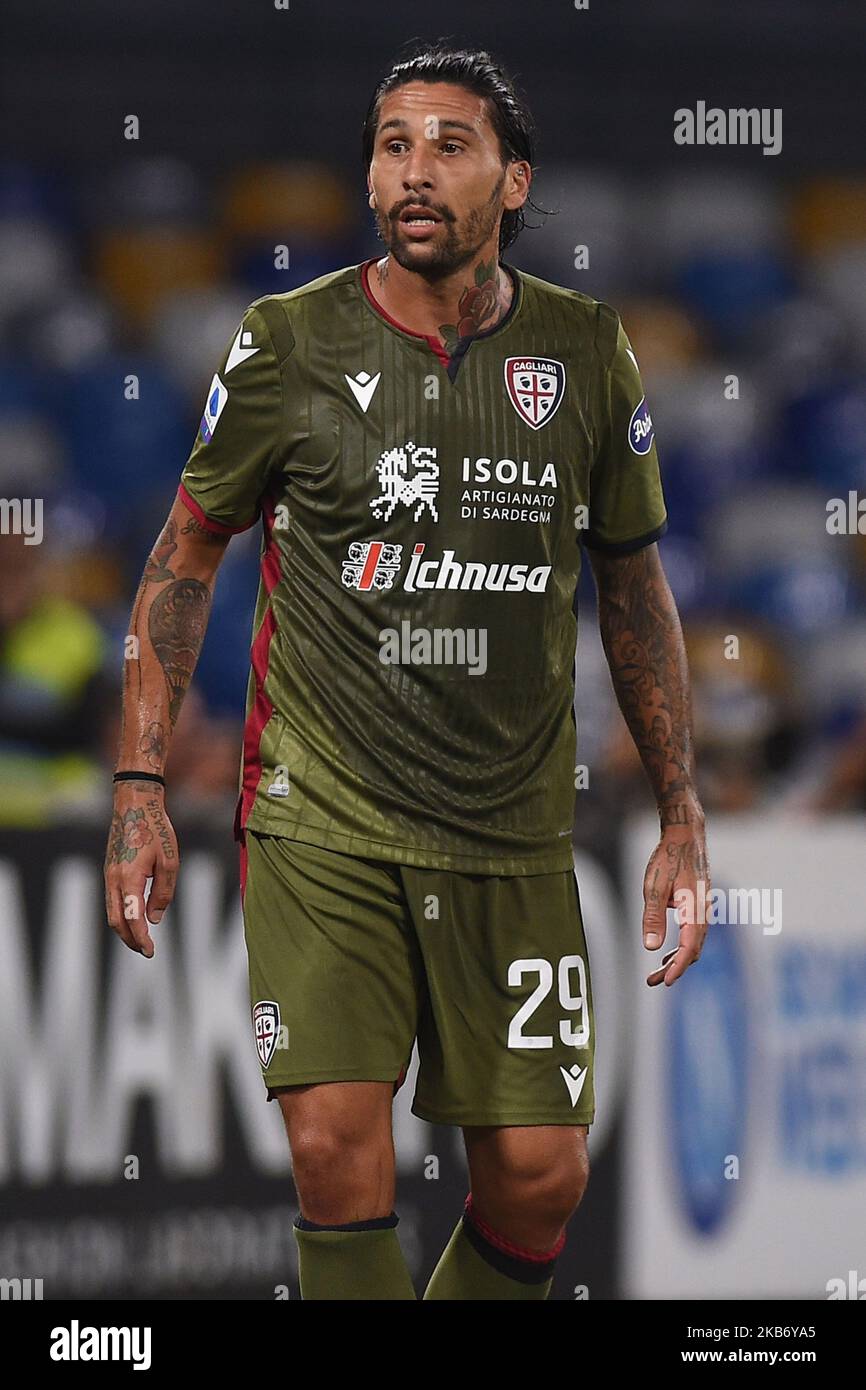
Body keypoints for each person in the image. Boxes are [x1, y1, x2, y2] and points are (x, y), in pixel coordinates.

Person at [104, 43, 709, 1301]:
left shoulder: (587, 351)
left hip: (514, 832)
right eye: (391, 143)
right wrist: (140, 784)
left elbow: (635, 595)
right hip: (323, 817)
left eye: (449, 143)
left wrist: (680, 813)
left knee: (540, 1175)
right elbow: (179, 562)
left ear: (514, 181)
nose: (413, 170)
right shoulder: (284, 343)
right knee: (334, 1147)